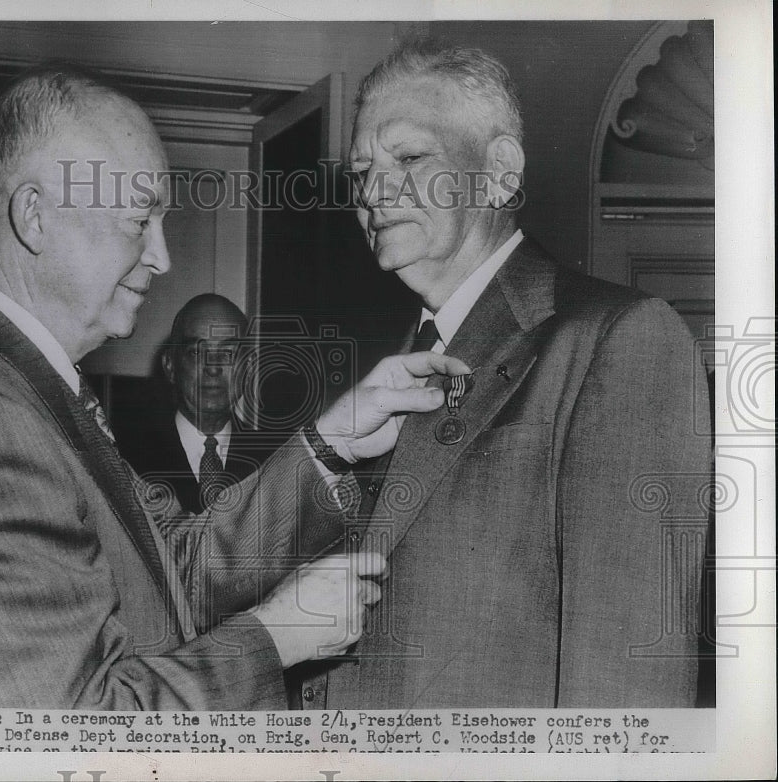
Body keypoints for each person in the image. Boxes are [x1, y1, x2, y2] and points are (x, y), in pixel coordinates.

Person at [0, 63, 466, 710]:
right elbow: (81, 729)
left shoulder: (18, 386)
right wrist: (277, 637)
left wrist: (332, 441)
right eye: (138, 220)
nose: (163, 256)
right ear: (35, 216)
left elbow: (170, 567)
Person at [292, 41, 712, 709]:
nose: (372, 192)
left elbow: (627, 690)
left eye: (409, 158)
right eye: (361, 170)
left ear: (499, 171)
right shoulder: (386, 370)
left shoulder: (618, 340)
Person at [119, 294, 273, 514]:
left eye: (228, 353)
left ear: (248, 368)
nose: (213, 368)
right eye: (197, 352)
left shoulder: (273, 463)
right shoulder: (125, 460)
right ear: (170, 366)